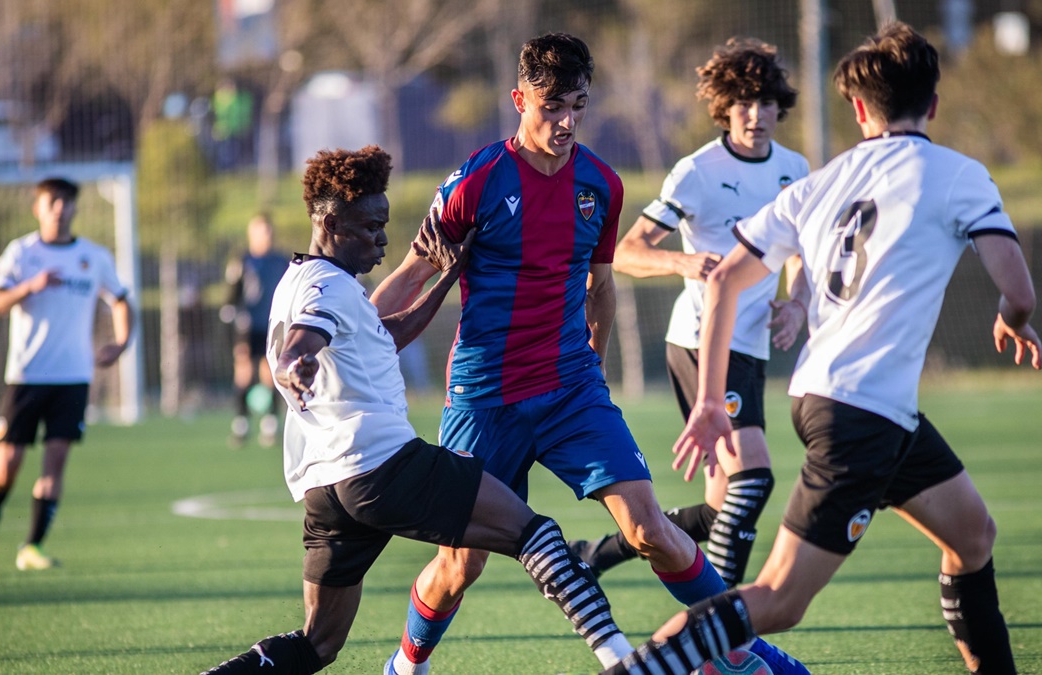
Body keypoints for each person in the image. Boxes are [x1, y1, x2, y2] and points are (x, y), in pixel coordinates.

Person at [599, 22, 1041, 675]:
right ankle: (638, 669)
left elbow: (722, 279)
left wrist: (710, 402)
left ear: (859, 110)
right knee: (778, 598)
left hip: (844, 401)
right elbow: (1019, 287)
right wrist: (1013, 316)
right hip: (861, 413)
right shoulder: (959, 174)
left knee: (972, 534)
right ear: (935, 104)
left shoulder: (817, 180)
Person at [370, 32, 802, 675]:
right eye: (552, 107)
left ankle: (739, 652)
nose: (567, 121)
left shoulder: (601, 184)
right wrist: (339, 337)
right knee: (461, 563)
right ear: (519, 99)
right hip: (484, 398)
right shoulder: (476, 182)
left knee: (650, 529)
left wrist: (589, 376)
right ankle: (406, 666)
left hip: (572, 390)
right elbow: (409, 276)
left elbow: (600, 288)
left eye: (578, 105)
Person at [201, 146, 634, 674]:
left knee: (318, 644)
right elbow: (300, 342)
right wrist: (295, 364)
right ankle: (623, 658)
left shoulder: (299, 278)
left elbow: (388, 333)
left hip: (326, 487)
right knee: (535, 534)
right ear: (332, 221)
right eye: (371, 226)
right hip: (382, 466)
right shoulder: (326, 288)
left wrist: (449, 276)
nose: (383, 239)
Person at [572, 37, 811, 589]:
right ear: (724, 108)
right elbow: (627, 251)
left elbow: (799, 251)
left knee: (715, 511)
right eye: (743, 104)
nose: (755, 115)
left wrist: (796, 302)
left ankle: (595, 555)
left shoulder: (795, 169)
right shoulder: (697, 171)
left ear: (780, 106)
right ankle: (720, 622)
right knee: (752, 481)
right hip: (700, 340)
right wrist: (683, 261)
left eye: (765, 103)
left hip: (748, 348)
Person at [0, 177, 133, 571]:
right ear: (38, 208)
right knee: (8, 463)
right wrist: (29, 287)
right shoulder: (22, 254)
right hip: (26, 376)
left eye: (67, 201)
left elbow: (122, 300)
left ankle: (32, 547)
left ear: (75, 208)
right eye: (53, 201)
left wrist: (122, 342)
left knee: (56, 458)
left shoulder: (93, 258)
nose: (60, 208)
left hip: (73, 377)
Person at [221, 213, 290, 447]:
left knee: (269, 372)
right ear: (252, 235)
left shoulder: (281, 262)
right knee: (243, 371)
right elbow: (232, 296)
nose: (266, 237)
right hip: (247, 326)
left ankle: (270, 422)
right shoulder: (242, 261)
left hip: (273, 326)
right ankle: (241, 422)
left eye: (269, 232)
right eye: (262, 232)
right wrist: (231, 320)